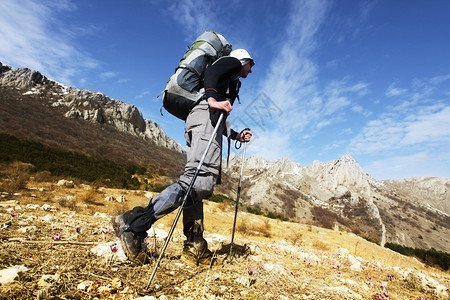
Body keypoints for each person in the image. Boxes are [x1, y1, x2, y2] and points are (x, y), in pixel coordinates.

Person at [112, 49, 254, 264]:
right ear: (244, 60)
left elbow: (218, 117)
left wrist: (234, 134)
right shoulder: (232, 63)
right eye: (250, 65)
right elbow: (213, 73)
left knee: (198, 185)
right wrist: (213, 98)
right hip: (205, 119)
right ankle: (134, 224)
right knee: (198, 182)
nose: (250, 71)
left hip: (203, 121)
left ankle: (195, 246)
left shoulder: (231, 79)